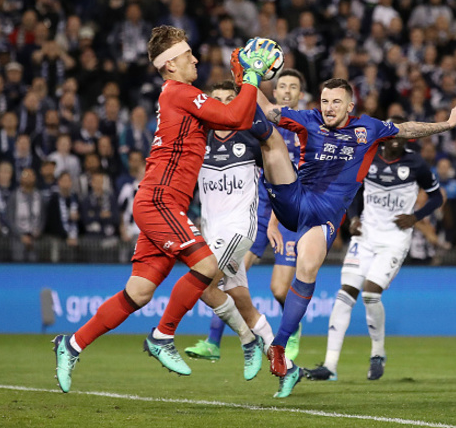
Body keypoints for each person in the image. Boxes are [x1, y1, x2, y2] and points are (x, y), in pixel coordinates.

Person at [51, 28, 281, 393]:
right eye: (188, 54)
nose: (196, 59)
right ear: (170, 63)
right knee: (207, 268)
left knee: (138, 294)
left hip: (160, 203)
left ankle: (72, 343)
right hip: (160, 201)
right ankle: (162, 336)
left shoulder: (181, 97)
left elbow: (232, 114)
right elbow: (236, 117)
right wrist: (252, 76)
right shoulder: (180, 93)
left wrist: (241, 78)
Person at [246, 58, 456, 396]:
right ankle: (242, 78)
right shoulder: (308, 120)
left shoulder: (369, 128)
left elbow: (406, 128)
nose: (329, 107)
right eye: (324, 101)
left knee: (307, 269)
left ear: (350, 105)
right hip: (295, 196)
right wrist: (250, 80)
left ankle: (279, 346)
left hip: (325, 216)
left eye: (336, 102)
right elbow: (272, 109)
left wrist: (447, 124)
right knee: (272, 137)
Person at [302, 115, 443, 382]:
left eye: (397, 136)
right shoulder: (368, 156)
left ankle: (378, 352)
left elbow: (437, 196)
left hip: (394, 238)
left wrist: (415, 217)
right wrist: (353, 218)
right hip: (365, 235)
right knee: (344, 295)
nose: (391, 140)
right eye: (389, 135)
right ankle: (330, 365)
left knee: (370, 294)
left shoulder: (416, 163)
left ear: (406, 138)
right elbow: (353, 191)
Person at [186, 69, 305, 362]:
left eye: (293, 87)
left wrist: (279, 219)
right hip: (252, 213)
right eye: (282, 86)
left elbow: (288, 179)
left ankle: (289, 328)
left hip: (279, 212)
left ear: (300, 94)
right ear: (273, 93)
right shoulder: (234, 128)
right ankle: (217, 342)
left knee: (278, 288)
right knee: (232, 285)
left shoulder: (300, 128)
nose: (287, 91)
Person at [183, 80, 276, 374]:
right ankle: (285, 363)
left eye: (229, 98)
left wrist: (277, 216)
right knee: (242, 302)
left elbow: (276, 177)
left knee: (204, 285)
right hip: (211, 232)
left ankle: (248, 343)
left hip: (240, 229)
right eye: (217, 99)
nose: (222, 103)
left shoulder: (250, 137)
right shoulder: (199, 139)